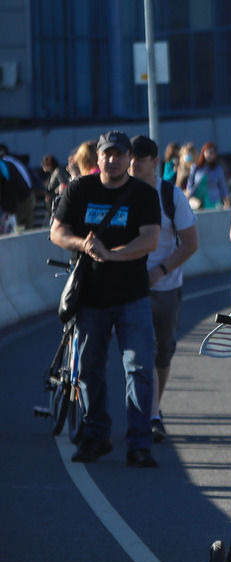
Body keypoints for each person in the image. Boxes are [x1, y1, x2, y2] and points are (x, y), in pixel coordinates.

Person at [49, 131, 161, 467]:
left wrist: (111, 255)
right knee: (88, 371)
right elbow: (56, 230)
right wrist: (83, 244)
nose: (112, 160)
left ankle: (139, 443)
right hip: (91, 297)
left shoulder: (143, 194)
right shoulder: (81, 189)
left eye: (119, 154)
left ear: (130, 159)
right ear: (97, 159)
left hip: (132, 295)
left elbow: (150, 239)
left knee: (139, 369)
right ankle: (95, 435)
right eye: (107, 154)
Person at [129, 136, 199, 442]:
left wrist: (160, 270)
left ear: (154, 162)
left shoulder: (171, 196)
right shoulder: (119, 191)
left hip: (165, 285)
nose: (132, 164)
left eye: (140, 159)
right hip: (128, 286)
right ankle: (148, 414)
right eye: (130, 157)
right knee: (137, 351)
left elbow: (191, 243)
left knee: (163, 351)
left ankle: (154, 409)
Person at [185, 142, 229, 209]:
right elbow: (190, 184)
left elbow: (223, 186)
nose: (209, 155)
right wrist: (188, 197)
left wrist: (226, 200)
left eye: (212, 153)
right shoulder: (196, 167)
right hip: (197, 202)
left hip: (213, 202)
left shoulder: (218, 169)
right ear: (203, 153)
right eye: (207, 152)